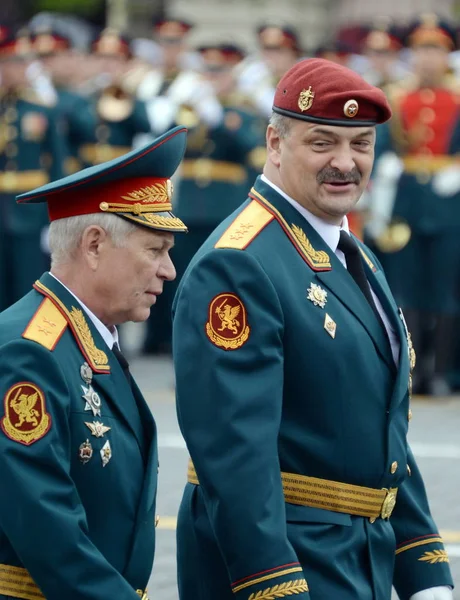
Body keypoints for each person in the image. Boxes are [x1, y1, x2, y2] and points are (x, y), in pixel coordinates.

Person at [172, 59, 453, 600]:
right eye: (322, 143)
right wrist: (275, 584)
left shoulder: (352, 253)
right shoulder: (241, 264)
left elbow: (380, 429)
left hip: (355, 557)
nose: (345, 163)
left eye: (362, 145)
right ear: (275, 143)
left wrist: (425, 572)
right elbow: (234, 461)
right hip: (289, 563)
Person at [0, 126, 188, 600]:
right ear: (94, 244)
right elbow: (51, 535)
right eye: (155, 250)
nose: (169, 270)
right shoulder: (28, 352)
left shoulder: (82, 336)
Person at [365, 15, 460, 396]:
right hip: (406, 201)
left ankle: (441, 371)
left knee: (445, 290)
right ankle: (413, 368)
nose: (427, 58)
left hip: (449, 204)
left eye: (435, 49)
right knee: (406, 289)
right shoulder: (398, 98)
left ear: (448, 54)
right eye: (421, 49)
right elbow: (384, 145)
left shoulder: (457, 98)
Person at [0, 27, 66, 310]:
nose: (21, 69)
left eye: (24, 62)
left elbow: (58, 163)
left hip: (29, 209)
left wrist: (56, 215)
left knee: (26, 286)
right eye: (13, 62)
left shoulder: (40, 108)